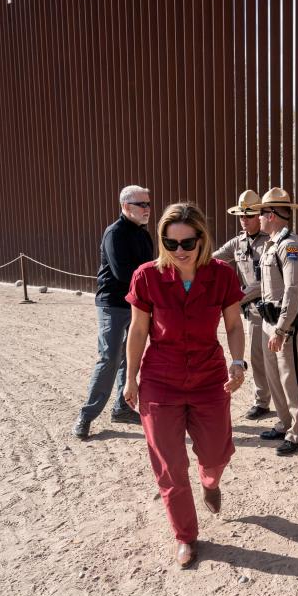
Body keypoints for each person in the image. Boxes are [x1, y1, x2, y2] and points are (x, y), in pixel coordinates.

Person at [122, 202, 247, 568]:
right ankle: (185, 536)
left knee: (216, 453)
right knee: (169, 466)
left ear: (202, 240)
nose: (178, 251)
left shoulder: (222, 274)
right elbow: (139, 330)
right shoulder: (146, 276)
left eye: (187, 243)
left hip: (210, 380)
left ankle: (210, 481)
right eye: (170, 242)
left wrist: (237, 362)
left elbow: (235, 325)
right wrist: (130, 377)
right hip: (161, 381)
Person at [213, 190, 298, 422]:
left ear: (262, 216)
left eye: (249, 216)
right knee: (258, 358)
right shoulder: (238, 243)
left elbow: (267, 283)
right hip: (256, 312)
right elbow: (213, 258)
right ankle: (262, 401)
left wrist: (236, 298)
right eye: (241, 216)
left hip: (278, 310)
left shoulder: (273, 242)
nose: (244, 220)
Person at [72, 185, 154, 439]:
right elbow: (123, 273)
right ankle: (85, 416)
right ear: (126, 207)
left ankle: (122, 408)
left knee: (130, 357)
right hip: (113, 304)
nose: (148, 209)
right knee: (109, 357)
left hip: (137, 305)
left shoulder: (144, 234)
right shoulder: (114, 233)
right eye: (142, 205)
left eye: (149, 204)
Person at [248, 187, 298, 456]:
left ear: (272, 215)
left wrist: (282, 328)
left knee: (290, 377)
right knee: (274, 376)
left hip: (287, 324)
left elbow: (293, 290)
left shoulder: (290, 245)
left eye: (261, 212)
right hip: (268, 321)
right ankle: (285, 423)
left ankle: (297, 434)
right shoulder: (271, 244)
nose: (258, 217)